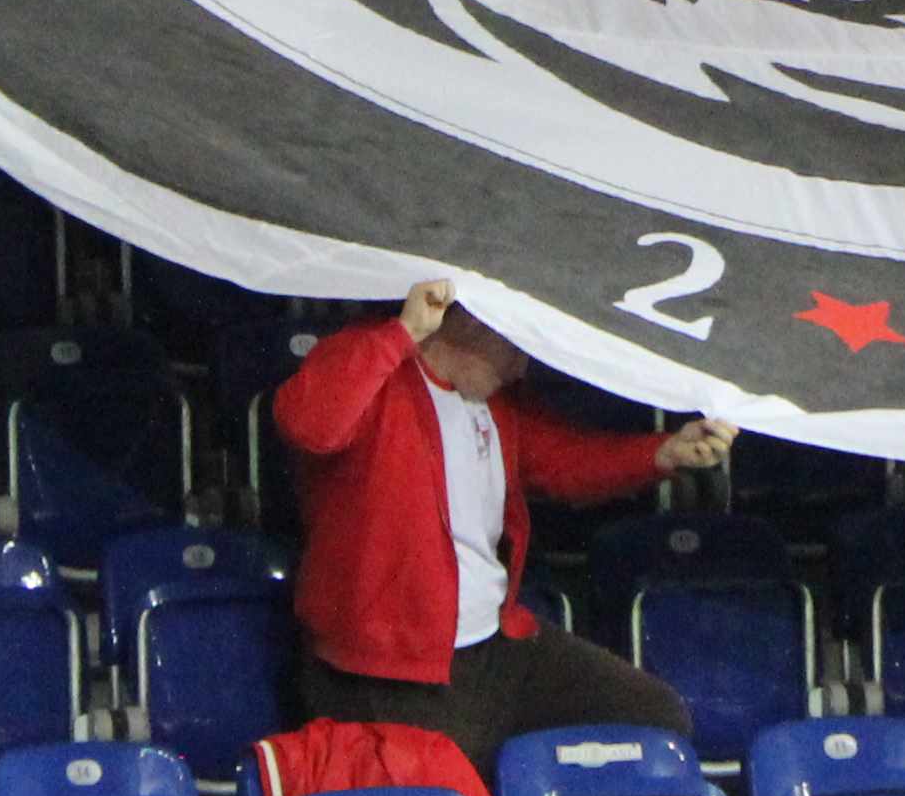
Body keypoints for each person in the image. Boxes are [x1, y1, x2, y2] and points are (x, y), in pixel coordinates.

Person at [269, 278, 730, 770]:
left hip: (493, 648)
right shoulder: (371, 360)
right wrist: (402, 333)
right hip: (387, 673)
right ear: (473, 326)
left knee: (653, 716)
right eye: (516, 346)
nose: (522, 367)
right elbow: (309, 424)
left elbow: (565, 462)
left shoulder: (496, 401)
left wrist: (663, 453)